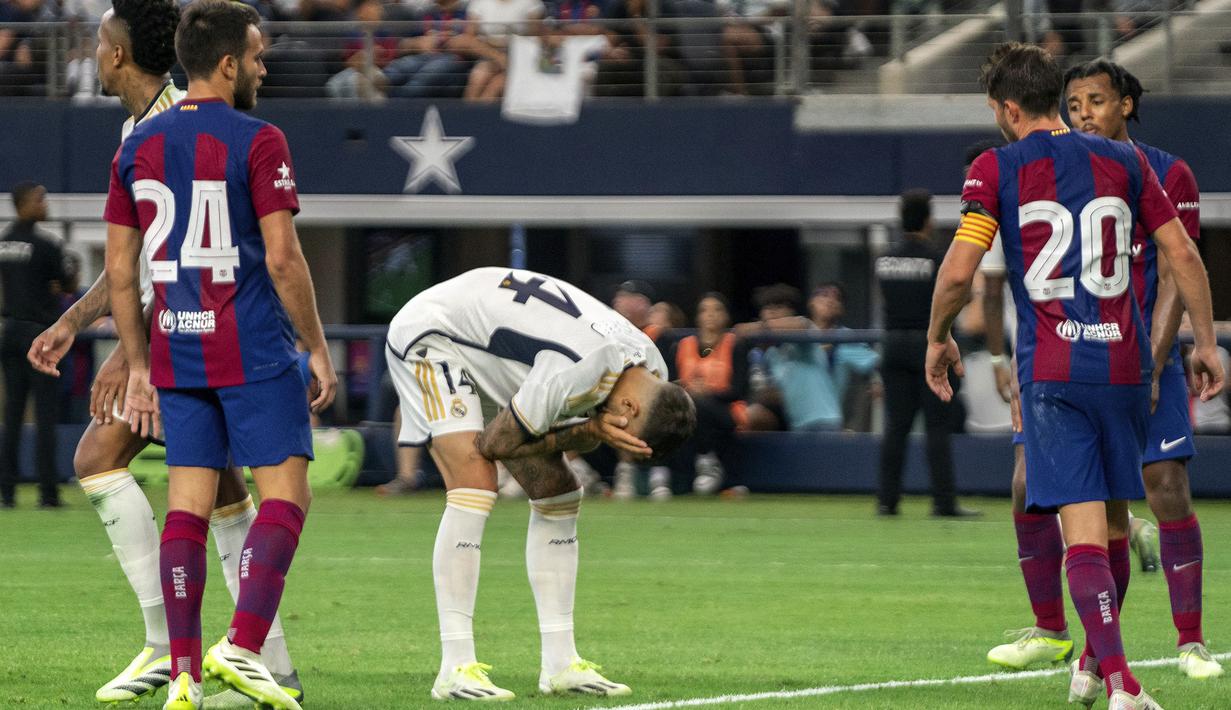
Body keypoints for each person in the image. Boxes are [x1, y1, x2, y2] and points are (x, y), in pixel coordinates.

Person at [927, 42, 1223, 710]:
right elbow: (1181, 254)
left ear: (1005, 108)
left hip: (1054, 372)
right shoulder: (1125, 160)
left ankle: (1119, 680)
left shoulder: (994, 167)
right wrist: (1203, 342)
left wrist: (936, 336)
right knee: (1116, 525)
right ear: (1057, 95)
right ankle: (1095, 669)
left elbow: (955, 272)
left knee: (1083, 532)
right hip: (1124, 366)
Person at [25, 2, 304, 704]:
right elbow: (138, 257)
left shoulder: (171, 126)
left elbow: (177, 259)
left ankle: (171, 650)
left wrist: (132, 349)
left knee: (100, 460)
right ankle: (258, 657)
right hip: (187, 332)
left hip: (189, 336)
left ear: (118, 54)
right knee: (227, 493)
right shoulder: (146, 125)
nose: (92, 51)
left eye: (97, 41)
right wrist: (76, 322)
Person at [102, 2, 336, 709]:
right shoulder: (260, 138)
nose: (263, 67)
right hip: (252, 346)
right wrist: (318, 347)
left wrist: (139, 364)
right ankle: (240, 645)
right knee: (286, 496)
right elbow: (284, 259)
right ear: (229, 63)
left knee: (187, 511)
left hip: (176, 348)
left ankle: (182, 674)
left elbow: (120, 272)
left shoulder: (135, 147)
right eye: (259, 56)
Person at [385, 267, 695, 701]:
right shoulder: (578, 369)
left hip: (495, 347)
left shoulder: (650, 367)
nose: (616, 441)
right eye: (625, 437)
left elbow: (539, 430)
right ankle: (454, 669)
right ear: (628, 405)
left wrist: (589, 430)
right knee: (476, 479)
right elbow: (497, 443)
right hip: (434, 333)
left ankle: (560, 664)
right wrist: (592, 433)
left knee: (559, 492)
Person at [875, 189, 977, 518]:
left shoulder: (885, 260)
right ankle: (943, 502)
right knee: (937, 426)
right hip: (926, 344)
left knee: (895, 427)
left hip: (892, 345)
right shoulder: (935, 258)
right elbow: (959, 293)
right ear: (928, 220)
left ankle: (887, 501)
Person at [0, 181, 65, 509]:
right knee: (44, 414)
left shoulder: (3, 244)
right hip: (40, 336)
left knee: (12, 413)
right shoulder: (47, 246)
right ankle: (48, 493)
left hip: (9, 332)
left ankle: (7, 492)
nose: (45, 203)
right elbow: (64, 284)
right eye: (40, 198)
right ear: (25, 203)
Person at [673, 292, 747, 493]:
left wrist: (708, 392)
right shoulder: (683, 345)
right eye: (705, 310)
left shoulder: (736, 345)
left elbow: (739, 390)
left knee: (699, 405)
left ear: (726, 316)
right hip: (689, 406)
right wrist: (687, 389)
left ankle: (708, 461)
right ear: (698, 317)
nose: (711, 315)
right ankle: (663, 476)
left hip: (727, 409)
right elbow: (672, 382)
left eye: (717, 310)